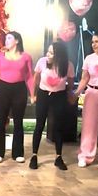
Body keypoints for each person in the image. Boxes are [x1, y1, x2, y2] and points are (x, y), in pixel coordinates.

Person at [0, 31, 34, 163]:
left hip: (20, 90)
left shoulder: (26, 57)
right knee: (1, 121)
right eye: (6, 39)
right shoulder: (0, 56)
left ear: (17, 41)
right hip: (3, 89)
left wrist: (33, 94)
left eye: (9, 38)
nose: (6, 41)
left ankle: (18, 153)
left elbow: (29, 77)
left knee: (18, 122)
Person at [29, 41, 74, 171]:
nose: (47, 54)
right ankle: (34, 155)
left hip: (59, 96)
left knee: (58, 127)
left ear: (59, 55)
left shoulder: (68, 65)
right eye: (48, 51)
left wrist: (70, 94)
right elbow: (36, 79)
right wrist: (34, 95)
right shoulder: (42, 62)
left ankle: (58, 157)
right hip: (43, 95)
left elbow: (70, 83)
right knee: (39, 124)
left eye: (51, 53)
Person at [72, 31, 98, 167]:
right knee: (88, 126)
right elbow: (84, 78)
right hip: (92, 93)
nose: (93, 44)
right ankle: (85, 156)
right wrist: (76, 93)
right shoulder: (89, 58)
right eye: (92, 42)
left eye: (97, 41)